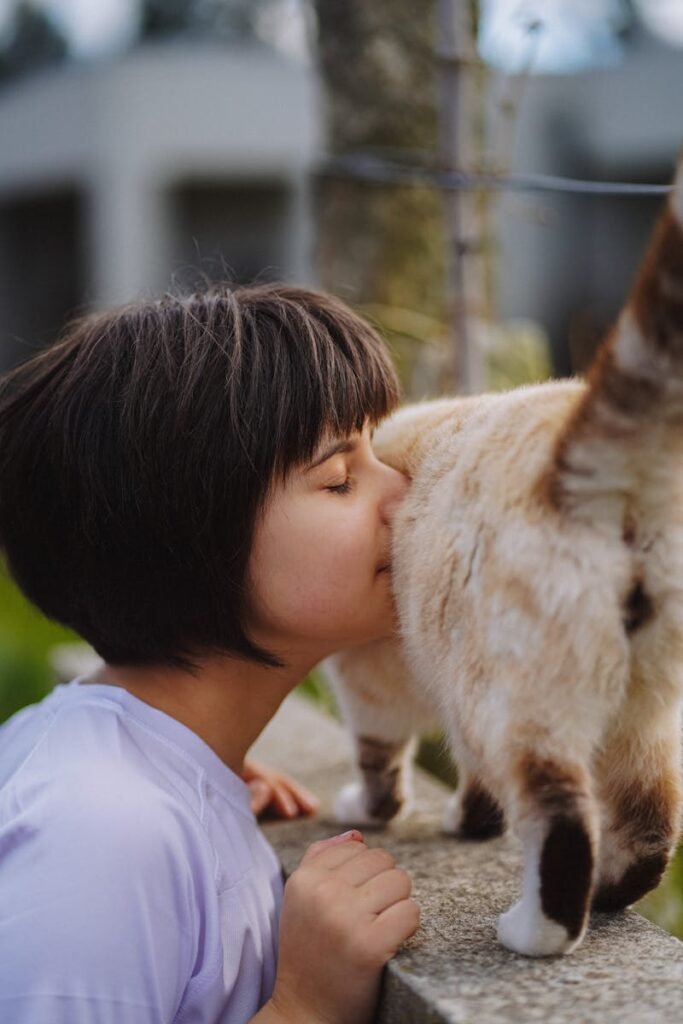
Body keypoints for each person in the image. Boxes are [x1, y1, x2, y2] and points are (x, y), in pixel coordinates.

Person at [0, 284, 418, 1024]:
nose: (404, 492)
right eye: (340, 478)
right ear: (189, 546)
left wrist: (205, 782)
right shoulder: (98, 830)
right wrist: (304, 1006)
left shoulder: (135, 787)